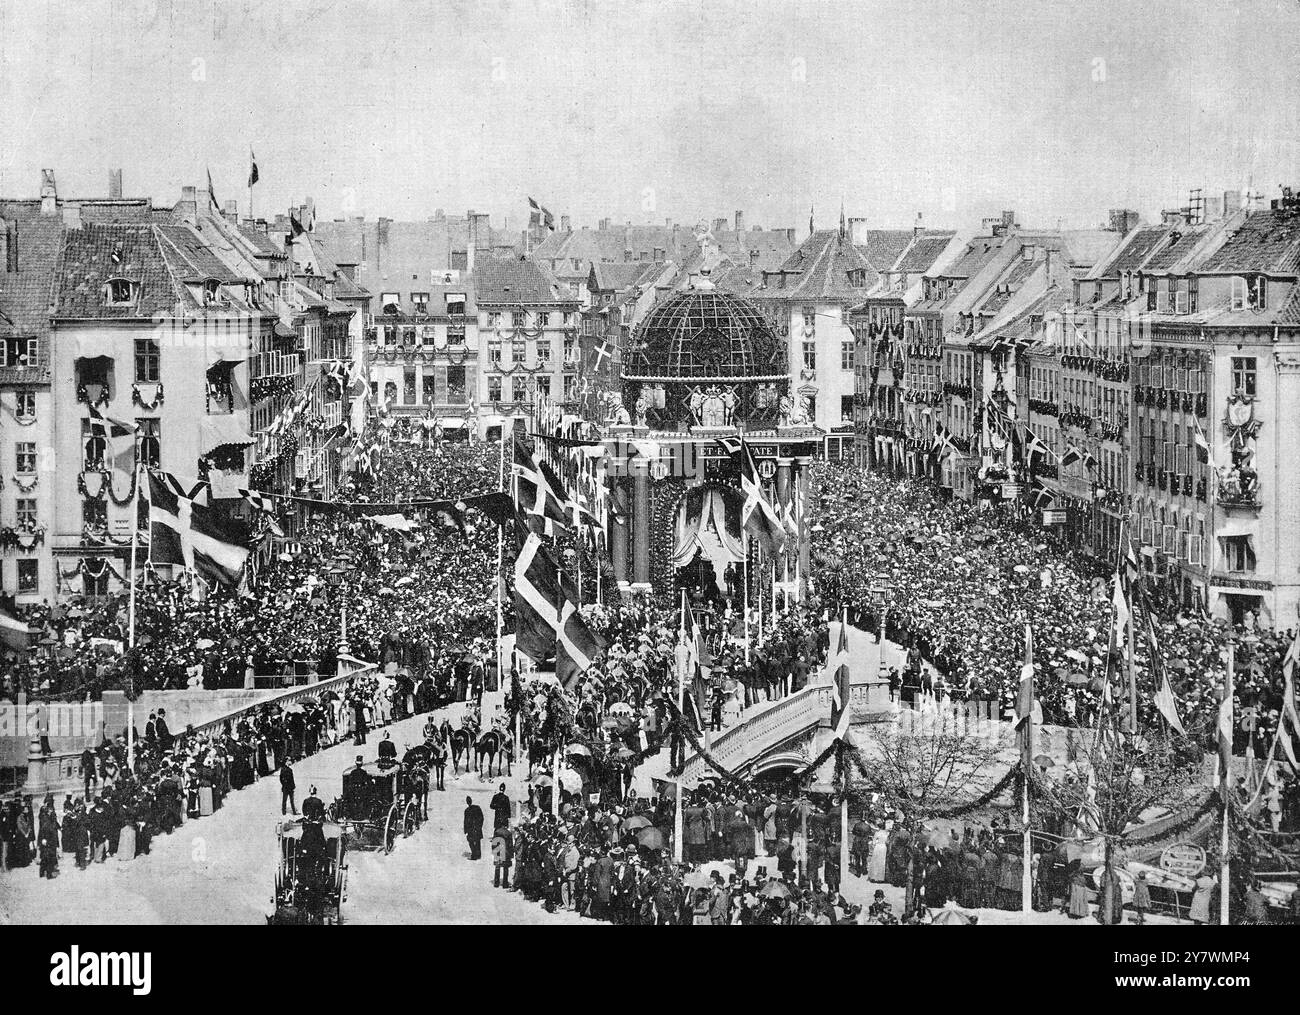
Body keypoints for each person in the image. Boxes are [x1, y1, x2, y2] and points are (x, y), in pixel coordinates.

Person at [463, 795, 484, 860]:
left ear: (467, 802)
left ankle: (474, 855)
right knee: (477, 842)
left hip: (471, 830)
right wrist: (480, 826)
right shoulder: (477, 808)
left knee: (471, 842)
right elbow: (482, 818)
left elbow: (466, 821)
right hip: (477, 828)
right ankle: (478, 855)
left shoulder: (467, 810)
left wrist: (465, 831)